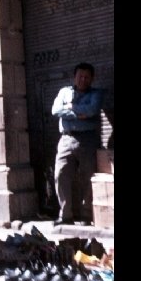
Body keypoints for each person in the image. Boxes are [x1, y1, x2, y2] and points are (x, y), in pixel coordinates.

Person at [51, 62, 103, 225]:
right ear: (74, 77)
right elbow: (56, 110)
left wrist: (70, 109)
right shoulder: (64, 92)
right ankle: (65, 215)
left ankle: (86, 215)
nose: (83, 80)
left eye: (87, 77)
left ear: (92, 79)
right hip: (66, 139)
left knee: (88, 177)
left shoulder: (96, 94)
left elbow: (92, 110)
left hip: (88, 139)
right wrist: (79, 114)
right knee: (60, 174)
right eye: (80, 76)